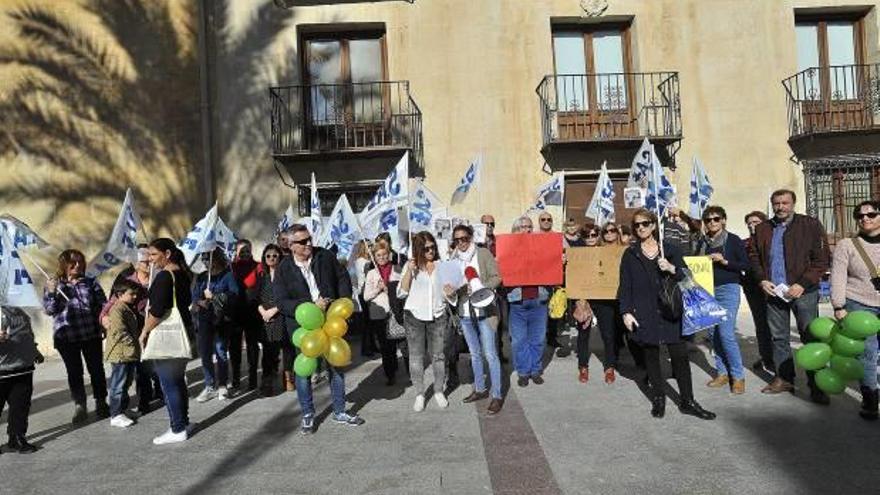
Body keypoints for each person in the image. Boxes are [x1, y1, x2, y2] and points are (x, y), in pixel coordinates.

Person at [618, 208, 715, 420]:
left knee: (679, 356)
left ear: (654, 225)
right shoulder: (630, 253)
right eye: (636, 225)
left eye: (645, 223)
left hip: (670, 310)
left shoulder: (670, 249)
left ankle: (688, 401)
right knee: (651, 355)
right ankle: (658, 398)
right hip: (644, 311)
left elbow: (686, 276)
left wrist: (671, 268)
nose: (640, 228)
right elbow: (624, 285)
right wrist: (625, 311)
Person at [272, 224, 363, 434]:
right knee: (304, 371)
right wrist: (310, 306)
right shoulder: (283, 269)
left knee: (336, 365)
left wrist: (343, 301)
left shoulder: (324, 256)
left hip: (331, 321)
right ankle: (307, 414)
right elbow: (282, 301)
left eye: (309, 239)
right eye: (303, 242)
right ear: (291, 245)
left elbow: (342, 278)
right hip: (303, 327)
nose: (309, 244)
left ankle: (340, 411)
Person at [749, 189, 831, 403]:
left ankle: (817, 384)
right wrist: (762, 280)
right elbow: (754, 257)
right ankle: (784, 378)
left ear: (793, 203)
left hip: (803, 292)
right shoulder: (763, 228)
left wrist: (802, 284)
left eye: (785, 203)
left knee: (809, 337)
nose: (781, 207)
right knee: (778, 338)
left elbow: (822, 260)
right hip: (774, 292)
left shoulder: (810, 225)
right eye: (776, 203)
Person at [43, 249, 109, 423]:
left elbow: (102, 306)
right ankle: (80, 405)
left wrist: (103, 323)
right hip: (67, 337)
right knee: (74, 372)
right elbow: (50, 310)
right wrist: (51, 292)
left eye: (81, 262)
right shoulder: (55, 284)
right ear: (64, 265)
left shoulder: (90, 282)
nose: (78, 265)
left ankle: (101, 401)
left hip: (90, 334)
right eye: (73, 263)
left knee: (96, 370)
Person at [140, 238, 194, 445]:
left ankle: (177, 427)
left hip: (167, 335)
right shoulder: (182, 274)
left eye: (154, 254)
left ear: (168, 253)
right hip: (183, 332)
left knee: (168, 383)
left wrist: (144, 331)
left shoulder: (164, 277)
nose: (150, 259)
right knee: (178, 380)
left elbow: (156, 311)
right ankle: (184, 422)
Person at [830, 200, 880, 420]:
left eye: (871, 214)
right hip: (859, 303)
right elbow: (838, 276)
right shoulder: (846, 245)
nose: (865, 219)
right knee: (867, 354)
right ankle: (870, 399)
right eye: (860, 216)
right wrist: (839, 305)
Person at [100, 246, 162, 415]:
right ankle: (139, 405)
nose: (149, 263)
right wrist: (104, 317)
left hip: (155, 329)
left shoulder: (159, 278)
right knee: (134, 372)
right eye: (144, 261)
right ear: (135, 264)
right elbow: (110, 306)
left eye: (150, 259)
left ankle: (153, 396)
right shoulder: (128, 283)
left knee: (151, 368)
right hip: (135, 333)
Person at [448, 224, 504, 414]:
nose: (461, 242)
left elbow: (497, 277)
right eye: (457, 239)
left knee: (491, 355)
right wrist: (453, 289)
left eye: (464, 238)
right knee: (474, 354)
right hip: (465, 313)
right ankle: (480, 389)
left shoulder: (483, 254)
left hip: (485, 312)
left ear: (471, 237)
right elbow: (450, 284)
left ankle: (496, 395)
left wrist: (481, 288)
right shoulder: (453, 259)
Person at [697, 206, 749, 394]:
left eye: (716, 219)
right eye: (708, 220)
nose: (712, 223)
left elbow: (745, 265)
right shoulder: (702, 242)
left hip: (727, 290)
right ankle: (722, 372)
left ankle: (738, 376)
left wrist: (724, 261)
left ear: (724, 220)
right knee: (713, 334)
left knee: (726, 334)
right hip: (707, 291)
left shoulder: (733, 240)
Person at [398, 232, 449, 411]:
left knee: (438, 356)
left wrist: (450, 293)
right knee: (416, 358)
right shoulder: (411, 265)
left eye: (433, 247)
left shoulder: (442, 265)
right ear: (419, 249)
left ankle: (438, 390)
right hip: (414, 317)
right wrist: (410, 272)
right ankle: (419, 393)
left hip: (438, 316)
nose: (431, 251)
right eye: (426, 248)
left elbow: (449, 292)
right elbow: (401, 292)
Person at [574, 221, 626, 385]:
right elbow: (571, 276)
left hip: (604, 298)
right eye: (586, 235)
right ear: (582, 237)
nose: (590, 238)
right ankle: (583, 366)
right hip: (583, 298)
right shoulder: (575, 253)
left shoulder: (608, 252)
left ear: (599, 236)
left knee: (608, 334)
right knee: (583, 334)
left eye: (594, 235)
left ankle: (609, 367)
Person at [507, 216, 551, 387]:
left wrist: (558, 262)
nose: (527, 230)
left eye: (530, 227)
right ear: (516, 230)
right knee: (518, 340)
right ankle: (523, 371)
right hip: (518, 301)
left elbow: (551, 268)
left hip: (538, 299)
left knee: (538, 338)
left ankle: (535, 370)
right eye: (523, 227)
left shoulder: (541, 248)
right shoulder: (509, 250)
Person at [191, 248, 241, 402]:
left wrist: (215, 297)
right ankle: (209, 385)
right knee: (205, 353)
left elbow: (234, 295)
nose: (206, 262)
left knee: (220, 352)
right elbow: (193, 297)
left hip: (221, 320)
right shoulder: (201, 277)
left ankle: (222, 385)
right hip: (204, 319)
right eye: (204, 259)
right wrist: (200, 301)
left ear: (217, 258)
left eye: (208, 258)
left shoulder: (227, 276)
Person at [364, 240, 409, 386]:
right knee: (386, 348)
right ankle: (390, 374)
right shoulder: (371, 273)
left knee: (404, 346)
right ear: (374, 257)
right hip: (379, 315)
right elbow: (366, 296)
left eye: (384, 254)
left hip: (396, 312)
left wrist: (390, 288)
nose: (382, 258)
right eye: (378, 255)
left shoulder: (397, 269)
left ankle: (411, 373)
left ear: (388, 255)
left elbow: (404, 289)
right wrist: (378, 289)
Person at [0, 306, 42, 453]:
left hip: (23, 368)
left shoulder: (21, 312)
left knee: (20, 407)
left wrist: (35, 351)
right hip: (2, 370)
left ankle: (17, 437)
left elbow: (27, 334)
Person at [104, 278, 143, 428]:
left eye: (136, 294)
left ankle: (123, 410)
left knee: (126, 383)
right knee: (118, 385)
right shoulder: (117, 309)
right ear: (120, 294)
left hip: (128, 353)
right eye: (131, 294)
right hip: (120, 354)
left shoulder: (126, 307)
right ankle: (115, 414)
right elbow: (119, 331)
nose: (134, 297)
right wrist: (133, 344)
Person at [742, 211, 774, 373]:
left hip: (771, 287)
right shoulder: (744, 243)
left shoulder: (772, 240)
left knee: (775, 325)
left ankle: (778, 358)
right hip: (752, 288)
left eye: (755, 222)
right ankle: (766, 357)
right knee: (760, 324)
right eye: (749, 223)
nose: (751, 225)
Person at [255, 244, 289, 397]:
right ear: (264, 258)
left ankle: (289, 379)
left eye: (274, 255)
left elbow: (289, 297)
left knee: (287, 350)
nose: (271, 258)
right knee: (268, 353)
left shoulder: (285, 276)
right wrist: (263, 312)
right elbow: (256, 298)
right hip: (266, 320)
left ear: (279, 257)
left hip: (282, 317)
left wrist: (274, 310)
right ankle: (267, 383)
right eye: (268, 256)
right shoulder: (262, 277)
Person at [230, 239, 261, 392]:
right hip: (235, 312)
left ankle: (253, 377)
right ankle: (235, 378)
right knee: (234, 347)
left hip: (252, 311)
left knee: (252, 346)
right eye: (242, 251)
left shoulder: (258, 266)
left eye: (247, 250)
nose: (245, 253)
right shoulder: (231, 267)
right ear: (236, 252)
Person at [537, 212, 563, 349]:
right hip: (537, 280)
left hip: (552, 280)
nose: (546, 221)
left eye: (549, 219)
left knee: (553, 310)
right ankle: (539, 336)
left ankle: (552, 337)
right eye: (543, 219)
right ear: (539, 221)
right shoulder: (533, 237)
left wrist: (564, 257)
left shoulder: (557, 237)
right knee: (540, 310)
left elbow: (567, 252)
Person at [352, 240, 378, 358]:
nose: (372, 248)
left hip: (365, 291)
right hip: (364, 292)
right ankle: (367, 348)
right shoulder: (362, 261)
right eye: (369, 246)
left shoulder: (362, 261)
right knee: (367, 322)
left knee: (370, 322)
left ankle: (372, 345)